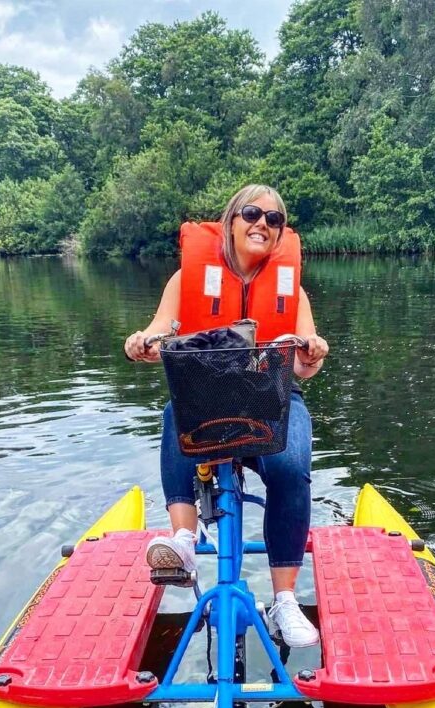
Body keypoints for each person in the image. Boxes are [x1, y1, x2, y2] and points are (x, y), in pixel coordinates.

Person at [124, 184, 329, 648]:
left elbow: (303, 367)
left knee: (291, 467)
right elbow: (158, 337)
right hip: (207, 399)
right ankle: (182, 542)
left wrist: (314, 353)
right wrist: (140, 344)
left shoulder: (291, 289)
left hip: (272, 399)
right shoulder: (186, 278)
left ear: (280, 234)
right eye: (253, 213)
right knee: (177, 413)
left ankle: (284, 600)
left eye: (274, 219)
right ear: (232, 220)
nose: (262, 224)